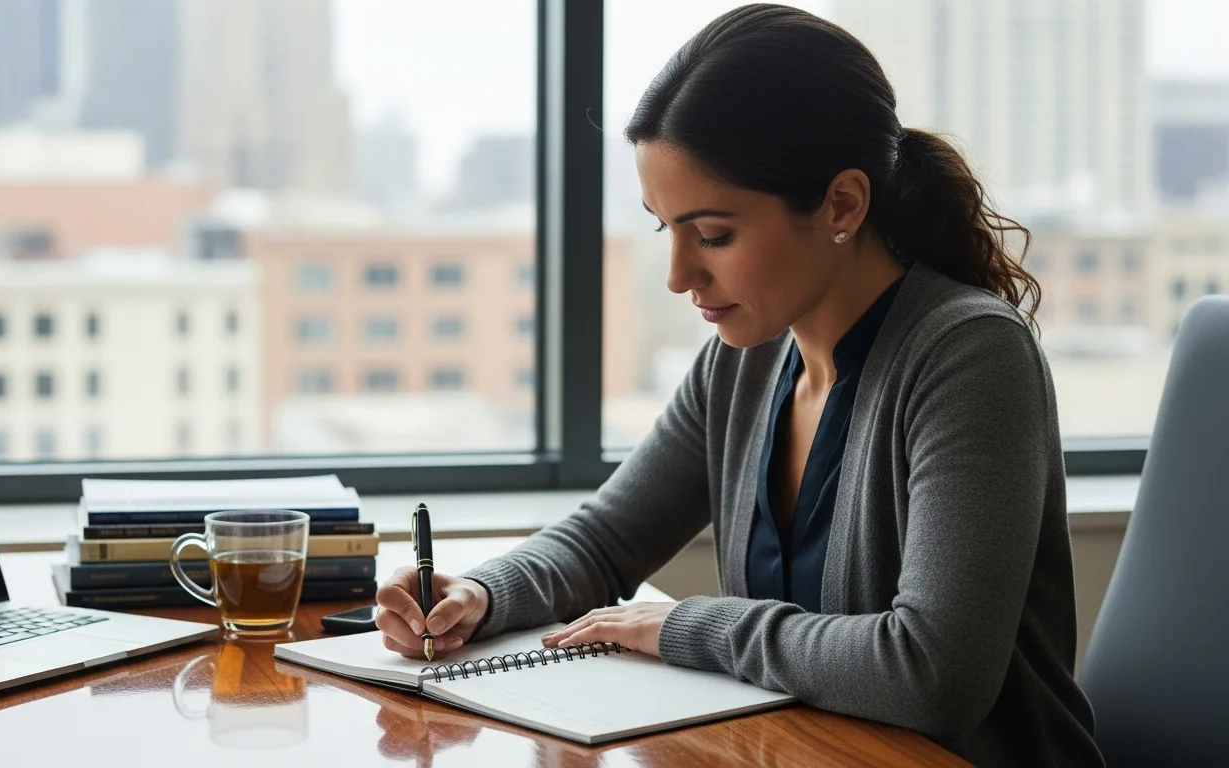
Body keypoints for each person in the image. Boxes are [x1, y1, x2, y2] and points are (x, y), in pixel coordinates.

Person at [374, 5, 1102, 766]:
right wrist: (482, 595)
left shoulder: (970, 356)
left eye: (714, 235)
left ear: (842, 204)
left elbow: (931, 673)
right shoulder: (747, 356)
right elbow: (609, 539)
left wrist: (688, 628)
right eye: (667, 230)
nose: (680, 275)